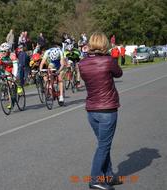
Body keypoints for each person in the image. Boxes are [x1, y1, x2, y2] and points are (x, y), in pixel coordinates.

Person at [78, 32, 123, 190]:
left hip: (92, 110)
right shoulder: (108, 61)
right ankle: (95, 179)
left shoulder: (82, 64)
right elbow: (119, 73)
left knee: (104, 144)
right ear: (105, 44)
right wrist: (111, 57)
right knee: (104, 146)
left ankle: (109, 176)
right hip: (107, 109)